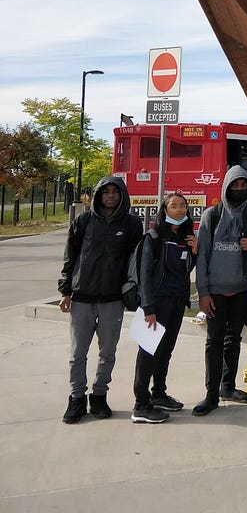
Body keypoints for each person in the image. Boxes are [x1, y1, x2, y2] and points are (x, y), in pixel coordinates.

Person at [59, 175, 143, 423]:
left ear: (122, 195)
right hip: (82, 297)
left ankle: (98, 396)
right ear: (98, 195)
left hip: (112, 299)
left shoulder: (130, 224)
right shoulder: (84, 221)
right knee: (77, 353)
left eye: (115, 192)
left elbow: (135, 261)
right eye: (105, 192)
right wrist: (65, 290)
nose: (110, 196)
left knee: (107, 352)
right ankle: (76, 398)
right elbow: (70, 256)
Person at [192, 166, 247, 416]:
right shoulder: (211, 215)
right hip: (215, 291)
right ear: (226, 186)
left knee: (233, 339)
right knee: (214, 341)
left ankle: (227, 386)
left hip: (242, 289)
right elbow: (201, 258)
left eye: (244, 185)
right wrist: (203, 292)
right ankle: (211, 394)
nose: (239, 190)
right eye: (235, 185)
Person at [131, 193, 198, 424]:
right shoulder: (154, 237)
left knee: (165, 351)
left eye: (183, 206)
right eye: (174, 206)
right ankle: (141, 404)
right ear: (164, 210)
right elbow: (145, 275)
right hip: (155, 304)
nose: (179, 210)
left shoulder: (185, 238)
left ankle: (158, 393)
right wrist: (148, 306)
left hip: (177, 302)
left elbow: (184, 270)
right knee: (148, 352)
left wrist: (195, 252)